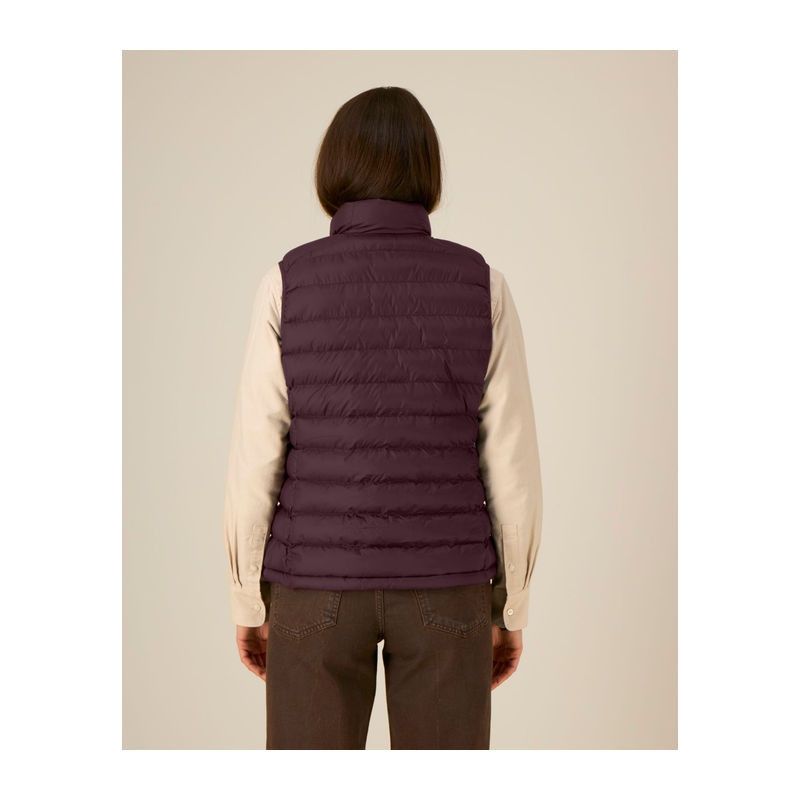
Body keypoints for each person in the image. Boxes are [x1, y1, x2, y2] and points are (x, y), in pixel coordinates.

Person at [222, 86, 543, 750]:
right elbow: (511, 465)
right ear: (427, 170)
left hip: (313, 587)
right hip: (448, 588)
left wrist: (248, 597)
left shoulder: (288, 282)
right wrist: (510, 605)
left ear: (333, 167)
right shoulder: (481, 284)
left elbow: (256, 456)